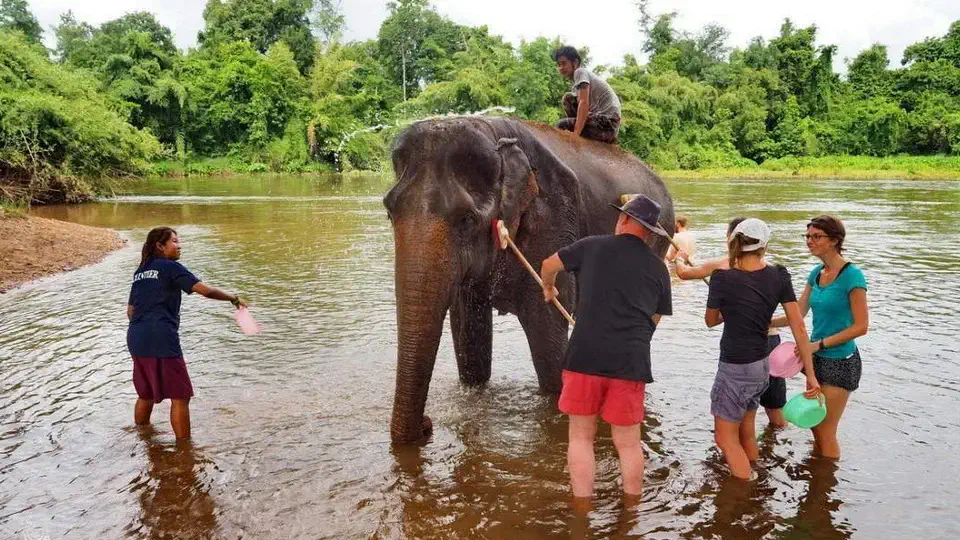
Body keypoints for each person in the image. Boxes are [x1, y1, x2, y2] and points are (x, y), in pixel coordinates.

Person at [539, 194, 672, 500]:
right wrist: (640, 335)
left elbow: (548, 265)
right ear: (650, 232)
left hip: (584, 356)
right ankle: (632, 512)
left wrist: (549, 287)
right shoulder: (658, 268)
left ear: (624, 219)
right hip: (631, 361)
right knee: (627, 442)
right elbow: (657, 313)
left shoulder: (591, 246)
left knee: (581, 437)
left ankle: (582, 511)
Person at [704, 218, 819, 480]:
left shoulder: (721, 278)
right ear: (764, 246)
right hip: (761, 366)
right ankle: (755, 484)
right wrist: (810, 375)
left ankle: (745, 490)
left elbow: (711, 321)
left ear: (734, 243)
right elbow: (799, 327)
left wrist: (729, 311)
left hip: (734, 366)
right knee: (746, 430)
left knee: (725, 439)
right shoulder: (779, 275)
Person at [127, 227, 247, 440]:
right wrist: (233, 298)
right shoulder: (170, 267)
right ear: (160, 246)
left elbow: (130, 311)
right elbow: (206, 290)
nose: (179, 245)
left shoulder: (140, 272)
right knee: (180, 396)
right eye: (174, 241)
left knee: (145, 394)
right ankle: (185, 450)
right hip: (161, 336)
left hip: (136, 336)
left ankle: (143, 439)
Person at [676, 219, 790, 428]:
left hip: (741, 353)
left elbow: (683, 273)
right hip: (769, 343)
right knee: (772, 408)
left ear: (731, 238)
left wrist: (679, 259)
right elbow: (795, 317)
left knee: (732, 426)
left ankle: (743, 455)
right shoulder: (772, 269)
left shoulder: (722, 266)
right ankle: (773, 451)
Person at [771, 215, 868, 459]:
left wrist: (818, 344)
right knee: (814, 424)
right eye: (808, 236)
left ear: (835, 240)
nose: (810, 241)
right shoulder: (816, 273)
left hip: (840, 361)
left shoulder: (852, 275)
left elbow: (861, 326)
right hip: (815, 358)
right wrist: (766, 323)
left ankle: (826, 488)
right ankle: (818, 476)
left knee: (826, 430)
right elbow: (799, 313)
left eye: (817, 237)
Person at [553, 45, 622, 144]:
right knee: (568, 99)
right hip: (602, 122)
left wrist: (575, 134)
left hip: (607, 125)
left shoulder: (579, 72)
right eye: (559, 65)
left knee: (561, 125)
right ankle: (580, 133)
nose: (561, 68)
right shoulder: (577, 83)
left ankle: (577, 134)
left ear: (575, 62)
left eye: (564, 63)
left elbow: (583, 103)